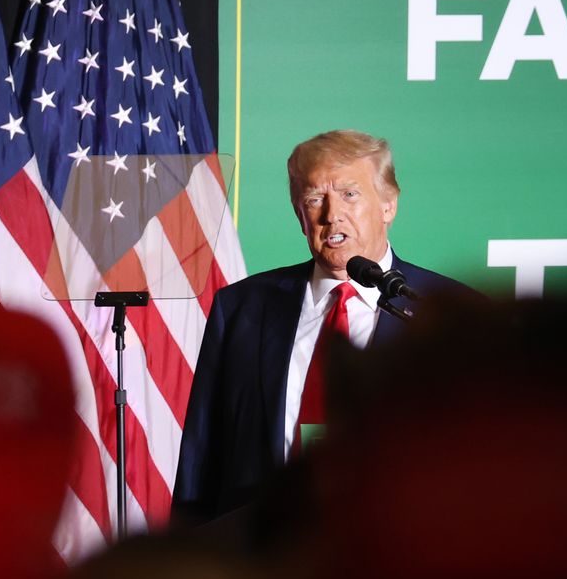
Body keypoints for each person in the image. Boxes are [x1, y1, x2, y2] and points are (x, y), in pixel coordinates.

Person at [173, 130, 472, 522]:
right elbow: (201, 459)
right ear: (300, 216)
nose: (332, 214)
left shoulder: (444, 311)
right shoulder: (243, 308)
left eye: (350, 194)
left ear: (388, 205)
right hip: (263, 558)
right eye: (314, 199)